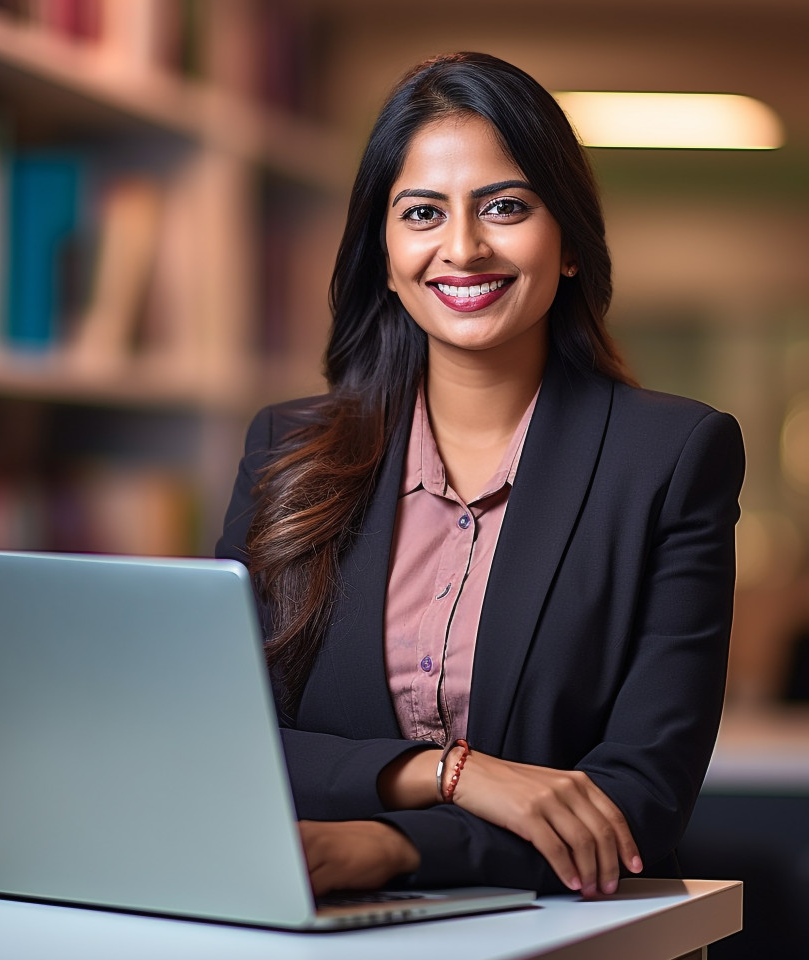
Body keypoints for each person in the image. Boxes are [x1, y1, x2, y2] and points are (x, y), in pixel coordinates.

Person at [216, 52, 745, 900]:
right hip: (305, 929)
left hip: (565, 938)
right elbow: (223, 737)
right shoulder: (286, 449)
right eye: (422, 212)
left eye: (505, 207)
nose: (461, 248)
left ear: (568, 242)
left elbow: (638, 804)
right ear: (383, 251)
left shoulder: (673, 458)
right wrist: (451, 774)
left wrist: (391, 847)